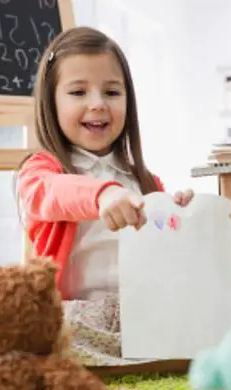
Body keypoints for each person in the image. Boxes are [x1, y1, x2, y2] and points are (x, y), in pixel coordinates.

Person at [15, 26, 194, 303]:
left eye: (111, 92)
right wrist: (103, 194)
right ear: (51, 103)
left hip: (143, 314)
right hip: (71, 318)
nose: (98, 103)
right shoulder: (40, 172)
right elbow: (52, 193)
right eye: (78, 92)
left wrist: (176, 216)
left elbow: (163, 247)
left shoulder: (147, 182)